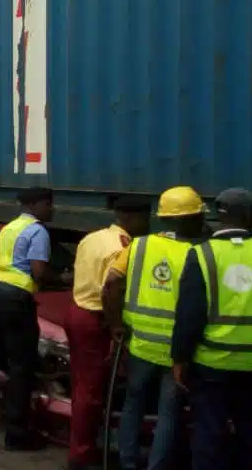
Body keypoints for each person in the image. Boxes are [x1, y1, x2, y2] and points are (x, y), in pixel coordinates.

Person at [101, 186, 206, 470]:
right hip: (177, 351)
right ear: (191, 218)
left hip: (140, 345)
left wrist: (116, 324)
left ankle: (127, 461)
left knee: (134, 405)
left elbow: (111, 284)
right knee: (168, 413)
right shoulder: (199, 252)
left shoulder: (138, 245)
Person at [171, 188, 252, 470]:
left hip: (213, 364)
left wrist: (180, 358)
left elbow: (189, 314)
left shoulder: (201, 255)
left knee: (209, 435)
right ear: (250, 217)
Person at [0, 186, 68, 451]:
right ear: (34, 206)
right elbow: (39, 272)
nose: (52, 209)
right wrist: (66, 279)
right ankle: (16, 433)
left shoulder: (7, 229)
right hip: (16, 297)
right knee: (21, 364)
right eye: (48, 204)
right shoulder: (38, 231)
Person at [65, 195, 152, 470]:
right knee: (92, 391)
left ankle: (82, 445)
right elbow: (112, 289)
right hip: (96, 320)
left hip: (77, 311)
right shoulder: (122, 247)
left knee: (82, 386)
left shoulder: (93, 237)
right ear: (132, 218)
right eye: (145, 218)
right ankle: (82, 454)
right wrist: (117, 327)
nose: (147, 224)